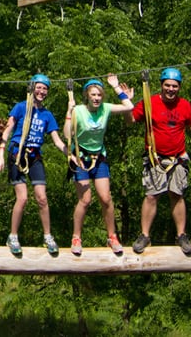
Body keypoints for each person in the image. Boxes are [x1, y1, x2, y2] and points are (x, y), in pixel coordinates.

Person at [128, 67, 191, 255]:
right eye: (168, 85)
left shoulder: (184, 105)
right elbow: (131, 119)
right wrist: (126, 101)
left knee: (177, 195)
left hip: (177, 158)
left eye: (174, 86)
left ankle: (181, 235)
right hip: (155, 158)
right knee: (151, 196)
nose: (171, 89)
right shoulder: (150, 102)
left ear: (179, 87)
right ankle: (144, 235)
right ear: (161, 85)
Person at [0, 74, 68, 256]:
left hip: (34, 155)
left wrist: (71, 155)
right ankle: (13, 236)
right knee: (23, 198)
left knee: (42, 198)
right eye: (39, 87)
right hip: (17, 153)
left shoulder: (47, 115)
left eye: (45, 88)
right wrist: (0, 154)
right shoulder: (20, 107)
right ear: (32, 88)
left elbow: (57, 141)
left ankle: (47, 236)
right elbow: (7, 130)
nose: (41, 91)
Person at [64, 75, 135, 256]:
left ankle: (112, 236)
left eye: (99, 95)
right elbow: (67, 135)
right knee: (85, 200)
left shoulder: (106, 108)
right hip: (80, 157)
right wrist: (69, 111)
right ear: (87, 96)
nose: (96, 98)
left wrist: (116, 88)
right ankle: (76, 237)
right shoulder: (79, 110)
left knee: (106, 198)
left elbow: (129, 107)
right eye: (93, 95)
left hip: (99, 157)